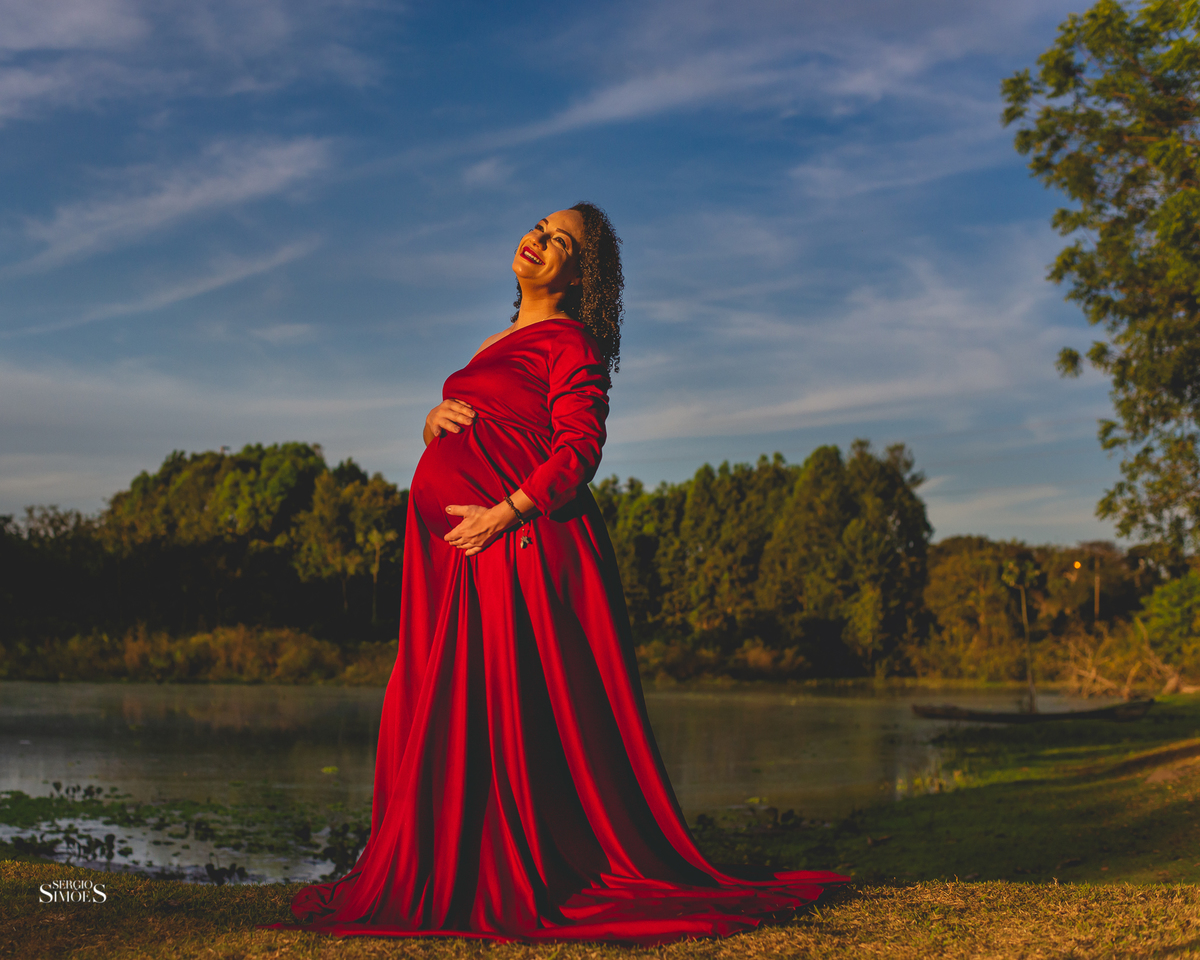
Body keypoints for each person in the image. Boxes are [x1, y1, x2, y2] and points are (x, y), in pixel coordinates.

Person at [279, 203, 845, 944]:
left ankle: (506, 868)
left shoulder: (572, 341)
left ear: (580, 275)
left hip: (514, 546)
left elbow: (580, 449)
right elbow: (487, 419)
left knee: (501, 710)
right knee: (438, 696)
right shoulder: (495, 341)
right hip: (454, 554)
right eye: (539, 227)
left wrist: (504, 514)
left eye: (560, 241)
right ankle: (449, 857)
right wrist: (431, 422)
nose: (539, 240)